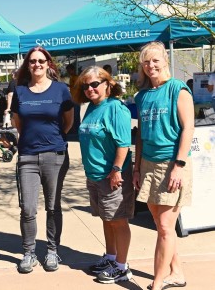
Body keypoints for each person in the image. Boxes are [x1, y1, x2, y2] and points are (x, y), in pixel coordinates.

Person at [132, 42, 194, 290]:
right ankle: (176, 272)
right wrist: (136, 168)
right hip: (147, 164)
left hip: (171, 164)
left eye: (155, 60)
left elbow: (188, 128)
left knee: (166, 227)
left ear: (165, 60)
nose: (151, 66)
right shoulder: (142, 95)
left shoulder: (178, 90)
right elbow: (140, 134)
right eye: (146, 62)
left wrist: (178, 165)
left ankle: (157, 283)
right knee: (161, 225)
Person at [11, 46, 74, 274]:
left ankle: (52, 250)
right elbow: (18, 123)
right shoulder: (20, 92)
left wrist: (53, 138)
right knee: (27, 208)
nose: (36, 64)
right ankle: (29, 253)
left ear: (49, 64)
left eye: (41, 60)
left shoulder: (60, 90)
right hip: (27, 155)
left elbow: (68, 122)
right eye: (32, 61)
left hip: (55, 154)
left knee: (52, 206)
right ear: (27, 65)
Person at [74, 66, 134, 284]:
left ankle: (122, 266)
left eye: (94, 84)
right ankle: (110, 258)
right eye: (85, 85)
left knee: (118, 220)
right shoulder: (91, 107)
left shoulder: (115, 108)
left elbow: (123, 143)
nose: (90, 89)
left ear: (108, 84)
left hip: (112, 176)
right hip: (95, 175)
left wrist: (117, 170)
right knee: (107, 219)